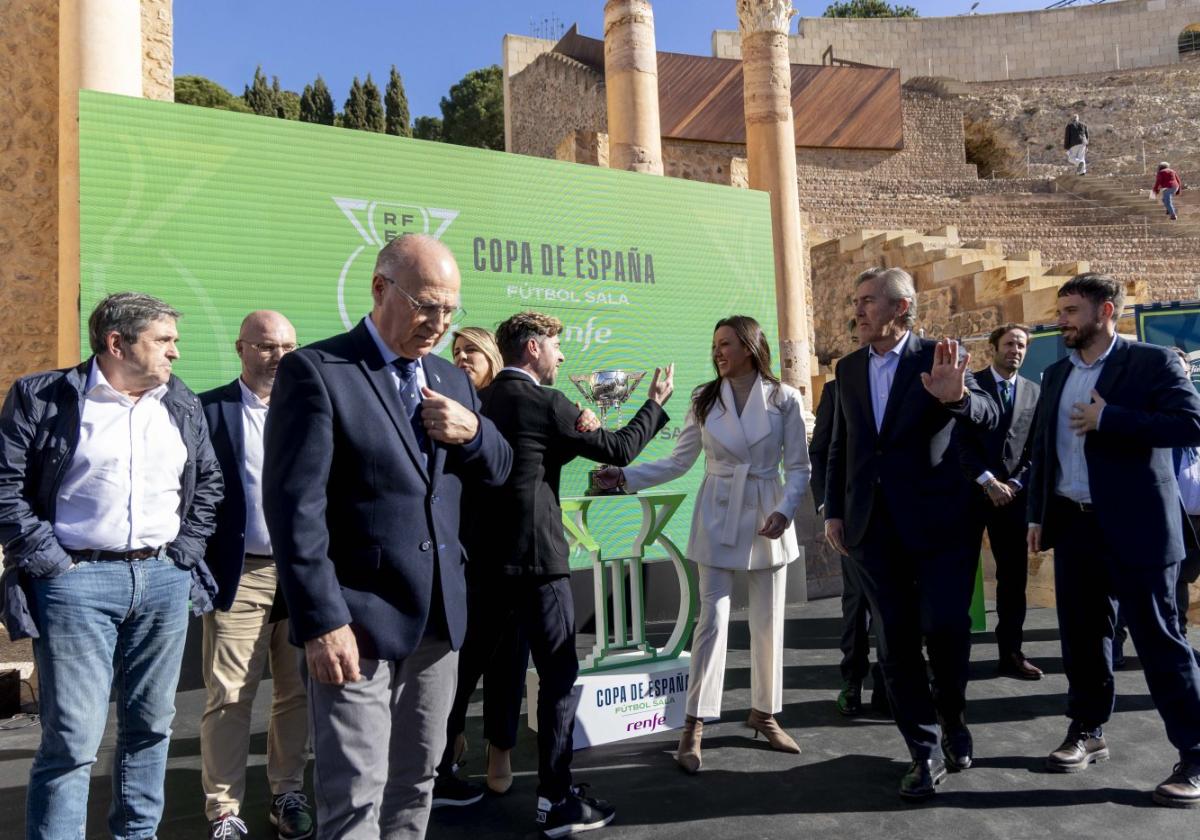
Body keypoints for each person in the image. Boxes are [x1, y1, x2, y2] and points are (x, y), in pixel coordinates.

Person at [262, 234, 513, 840]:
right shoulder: (318, 372)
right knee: (354, 797)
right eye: (427, 305)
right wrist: (322, 622)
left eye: (450, 310)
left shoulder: (453, 381)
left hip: (438, 625)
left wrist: (473, 430)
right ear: (380, 288)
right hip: (357, 627)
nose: (438, 322)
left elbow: (501, 468)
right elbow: (295, 511)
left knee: (417, 783)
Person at [440, 310, 672, 837]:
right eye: (555, 346)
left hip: (481, 561)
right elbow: (618, 449)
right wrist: (654, 403)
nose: (562, 357)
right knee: (560, 678)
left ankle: (436, 775)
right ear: (532, 349)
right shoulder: (544, 403)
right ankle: (555, 799)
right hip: (538, 565)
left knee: (464, 671)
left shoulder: (478, 400)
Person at [0, 292, 223, 839]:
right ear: (116, 342)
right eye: (164, 340)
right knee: (73, 737)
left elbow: (209, 485)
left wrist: (184, 555)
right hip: (76, 583)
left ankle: (136, 835)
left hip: (163, 581)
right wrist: (54, 564)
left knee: (151, 727)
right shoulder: (43, 396)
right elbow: (6, 490)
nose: (176, 352)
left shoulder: (180, 402)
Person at [598, 315, 810, 774]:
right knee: (711, 620)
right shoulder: (703, 398)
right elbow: (678, 462)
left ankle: (765, 713)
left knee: (768, 622)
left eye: (726, 343)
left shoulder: (784, 398)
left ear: (751, 347)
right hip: (717, 512)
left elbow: (799, 468)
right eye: (714, 344)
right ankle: (694, 724)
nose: (718, 351)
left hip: (767, 513)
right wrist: (625, 477)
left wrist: (786, 510)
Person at [825, 267, 999, 801]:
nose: (857, 310)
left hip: (942, 525)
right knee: (894, 643)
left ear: (901, 308)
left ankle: (953, 721)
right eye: (856, 301)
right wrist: (833, 508)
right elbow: (842, 444)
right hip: (871, 529)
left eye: (867, 301)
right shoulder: (848, 368)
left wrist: (958, 399)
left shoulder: (939, 356)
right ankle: (922, 751)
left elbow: (989, 417)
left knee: (946, 633)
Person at [1027, 273, 1200, 807]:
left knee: (1159, 639)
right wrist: (1037, 514)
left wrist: (1111, 418)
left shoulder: (1152, 362)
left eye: (1072, 311)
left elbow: (1189, 423)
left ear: (1106, 312)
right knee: (1081, 636)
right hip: (1074, 523)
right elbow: (1044, 451)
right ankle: (1086, 729)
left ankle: (1194, 753)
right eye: (1059, 311)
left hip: (1140, 526)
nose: (1062, 320)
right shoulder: (1055, 373)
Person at [436, 328, 600, 804]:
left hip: (519, 560)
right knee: (463, 670)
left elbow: (545, 451)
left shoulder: (517, 405)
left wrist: (581, 423)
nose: (461, 358)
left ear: (493, 357)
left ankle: (500, 752)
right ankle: (446, 761)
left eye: (471, 351)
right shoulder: (459, 405)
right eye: (456, 352)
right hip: (475, 559)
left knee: (510, 666)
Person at [200, 311, 312, 840]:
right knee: (229, 694)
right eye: (268, 346)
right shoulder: (208, 410)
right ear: (242, 348)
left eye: (289, 346)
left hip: (303, 573)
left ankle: (287, 790)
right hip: (240, 573)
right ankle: (224, 811)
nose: (280, 357)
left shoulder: (313, 408)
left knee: (296, 692)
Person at [956, 323, 1044, 680]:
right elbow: (958, 443)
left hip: (1013, 500)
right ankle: (953, 658)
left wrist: (1016, 483)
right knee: (959, 579)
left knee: (1013, 581)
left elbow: (1035, 447)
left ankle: (1011, 654)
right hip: (969, 495)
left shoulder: (1034, 392)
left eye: (1021, 345)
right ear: (994, 347)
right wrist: (988, 481)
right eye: (1009, 343)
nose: (1016, 350)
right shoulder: (970, 386)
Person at [811, 380, 888, 718]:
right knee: (857, 606)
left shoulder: (915, 374)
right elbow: (823, 448)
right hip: (855, 517)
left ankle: (888, 686)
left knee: (899, 608)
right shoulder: (839, 386)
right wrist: (829, 507)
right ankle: (853, 681)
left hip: (904, 517)